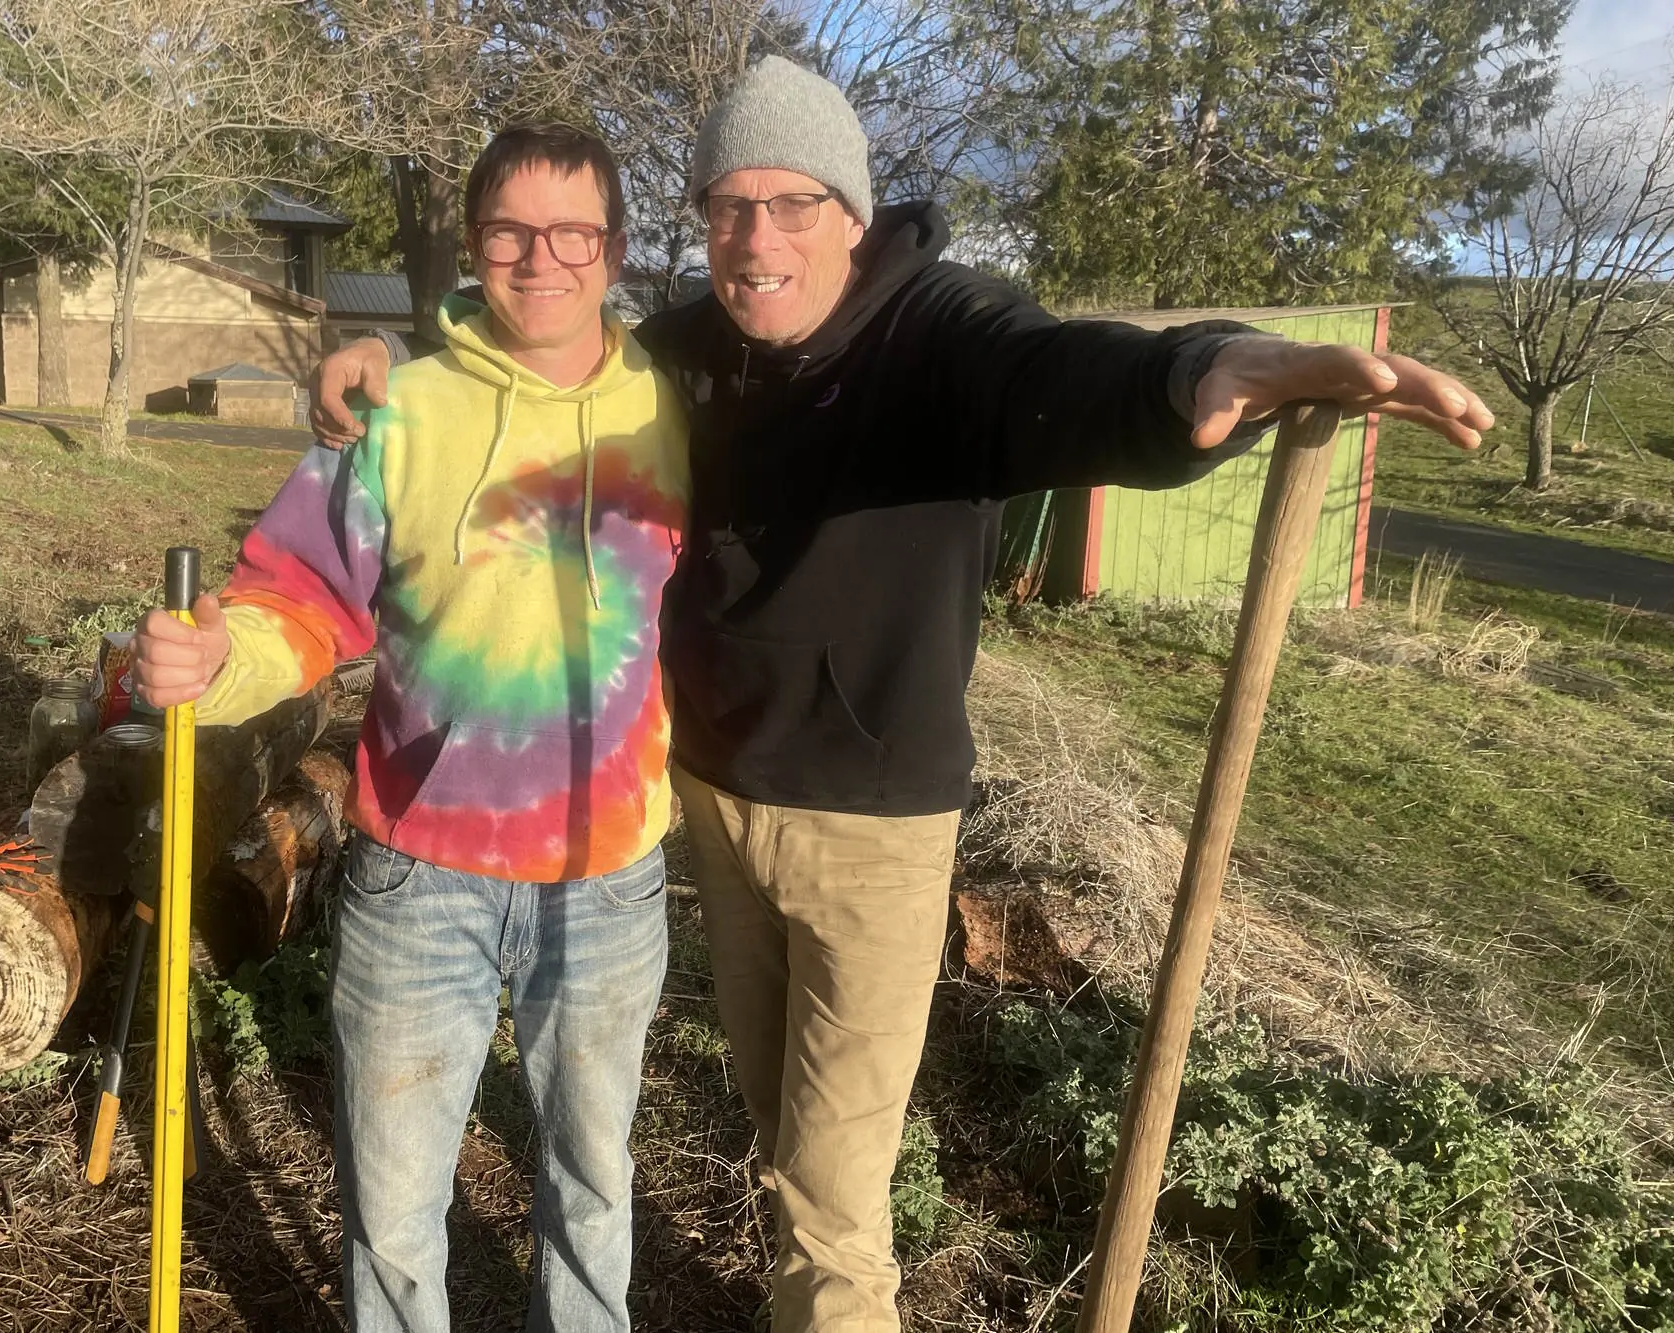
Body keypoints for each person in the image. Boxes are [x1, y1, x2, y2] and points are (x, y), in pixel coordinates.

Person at [309, 58, 1494, 1333]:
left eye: (793, 203)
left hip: (870, 832)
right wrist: (388, 347)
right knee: (774, 1137)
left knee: (831, 1203)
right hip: (706, 802)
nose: (756, 239)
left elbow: (1057, 373)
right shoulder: (682, 356)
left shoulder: (940, 335)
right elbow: (538, 335)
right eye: (726, 206)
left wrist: (1205, 370)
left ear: (853, 214)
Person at [134, 123, 687, 1333]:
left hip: (607, 874)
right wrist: (222, 654)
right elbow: (297, 599)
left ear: (616, 251)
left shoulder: (677, 409)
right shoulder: (400, 410)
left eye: (572, 234)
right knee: (391, 1211)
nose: (539, 261)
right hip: (417, 871)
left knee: (592, 1188)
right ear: (471, 245)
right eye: (508, 232)